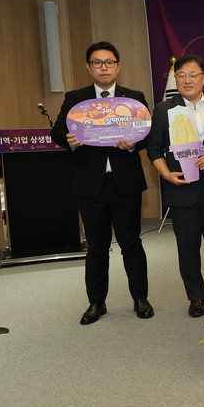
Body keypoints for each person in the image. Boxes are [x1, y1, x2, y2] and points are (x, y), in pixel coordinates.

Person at [50, 41, 153, 324]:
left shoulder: (133, 98)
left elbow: (147, 132)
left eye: (109, 62)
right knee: (97, 247)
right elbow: (57, 132)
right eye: (97, 62)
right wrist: (71, 141)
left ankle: (140, 298)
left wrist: (133, 144)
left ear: (118, 66)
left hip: (125, 183)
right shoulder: (76, 99)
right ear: (89, 67)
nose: (103, 67)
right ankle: (96, 302)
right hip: (90, 184)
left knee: (131, 243)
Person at [146, 55, 204, 318]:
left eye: (193, 75)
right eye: (181, 75)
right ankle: (195, 297)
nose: (187, 80)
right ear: (176, 79)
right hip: (181, 189)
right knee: (187, 247)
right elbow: (153, 149)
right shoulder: (164, 110)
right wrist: (166, 175)